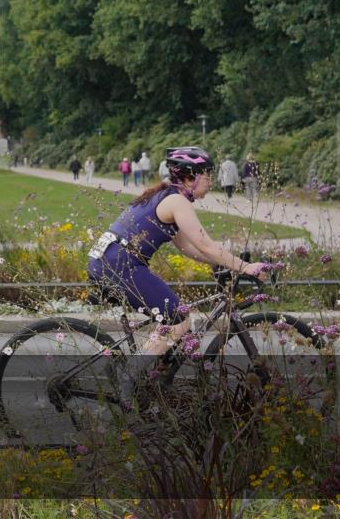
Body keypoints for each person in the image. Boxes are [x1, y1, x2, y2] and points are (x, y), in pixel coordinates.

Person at [86, 147, 269, 405]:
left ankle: (146, 377)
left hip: (111, 262)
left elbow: (189, 248)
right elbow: (206, 245)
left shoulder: (167, 196)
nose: (211, 181)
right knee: (178, 321)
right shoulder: (177, 202)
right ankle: (127, 375)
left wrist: (222, 264)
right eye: (207, 175)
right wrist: (246, 267)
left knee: (174, 319)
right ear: (191, 176)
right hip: (120, 266)